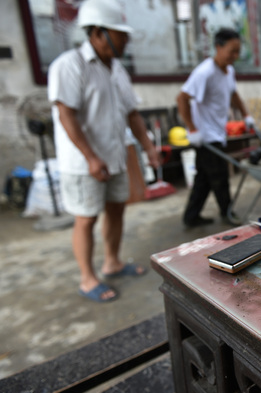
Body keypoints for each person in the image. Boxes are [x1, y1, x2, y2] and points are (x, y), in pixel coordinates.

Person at [47, 0, 160, 302]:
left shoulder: (117, 70)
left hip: (114, 156)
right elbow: (66, 114)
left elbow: (132, 114)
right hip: (84, 163)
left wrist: (149, 148)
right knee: (86, 218)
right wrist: (91, 157)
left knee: (116, 209)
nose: (125, 40)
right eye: (119, 33)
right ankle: (87, 278)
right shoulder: (70, 65)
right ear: (97, 32)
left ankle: (112, 262)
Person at [176, 28, 254, 227]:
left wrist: (246, 116)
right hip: (205, 136)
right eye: (232, 51)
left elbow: (233, 94)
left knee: (203, 179)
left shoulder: (229, 71)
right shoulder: (205, 72)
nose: (235, 56)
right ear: (218, 47)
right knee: (219, 177)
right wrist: (193, 129)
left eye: (238, 51)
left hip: (218, 132)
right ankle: (228, 213)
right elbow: (182, 98)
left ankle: (191, 216)